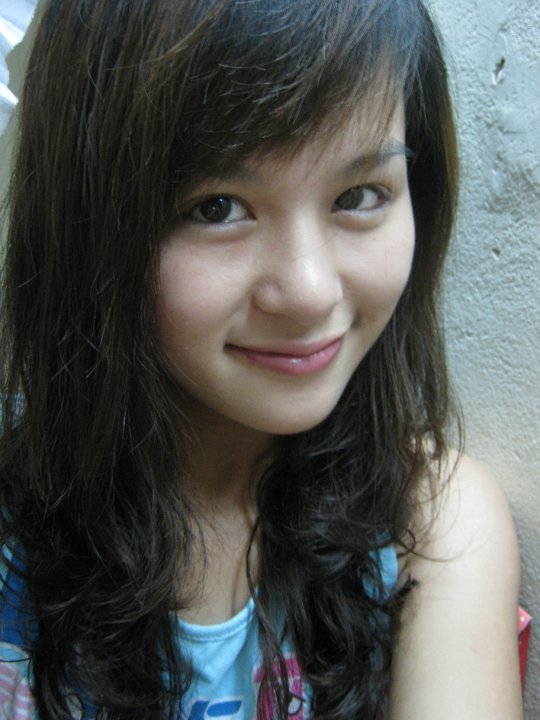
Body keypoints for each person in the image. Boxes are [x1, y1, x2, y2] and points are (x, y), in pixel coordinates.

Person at [0, 0, 523, 718]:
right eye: (217, 207)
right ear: (88, 223)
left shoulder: (433, 526)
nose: (308, 292)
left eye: (359, 195)